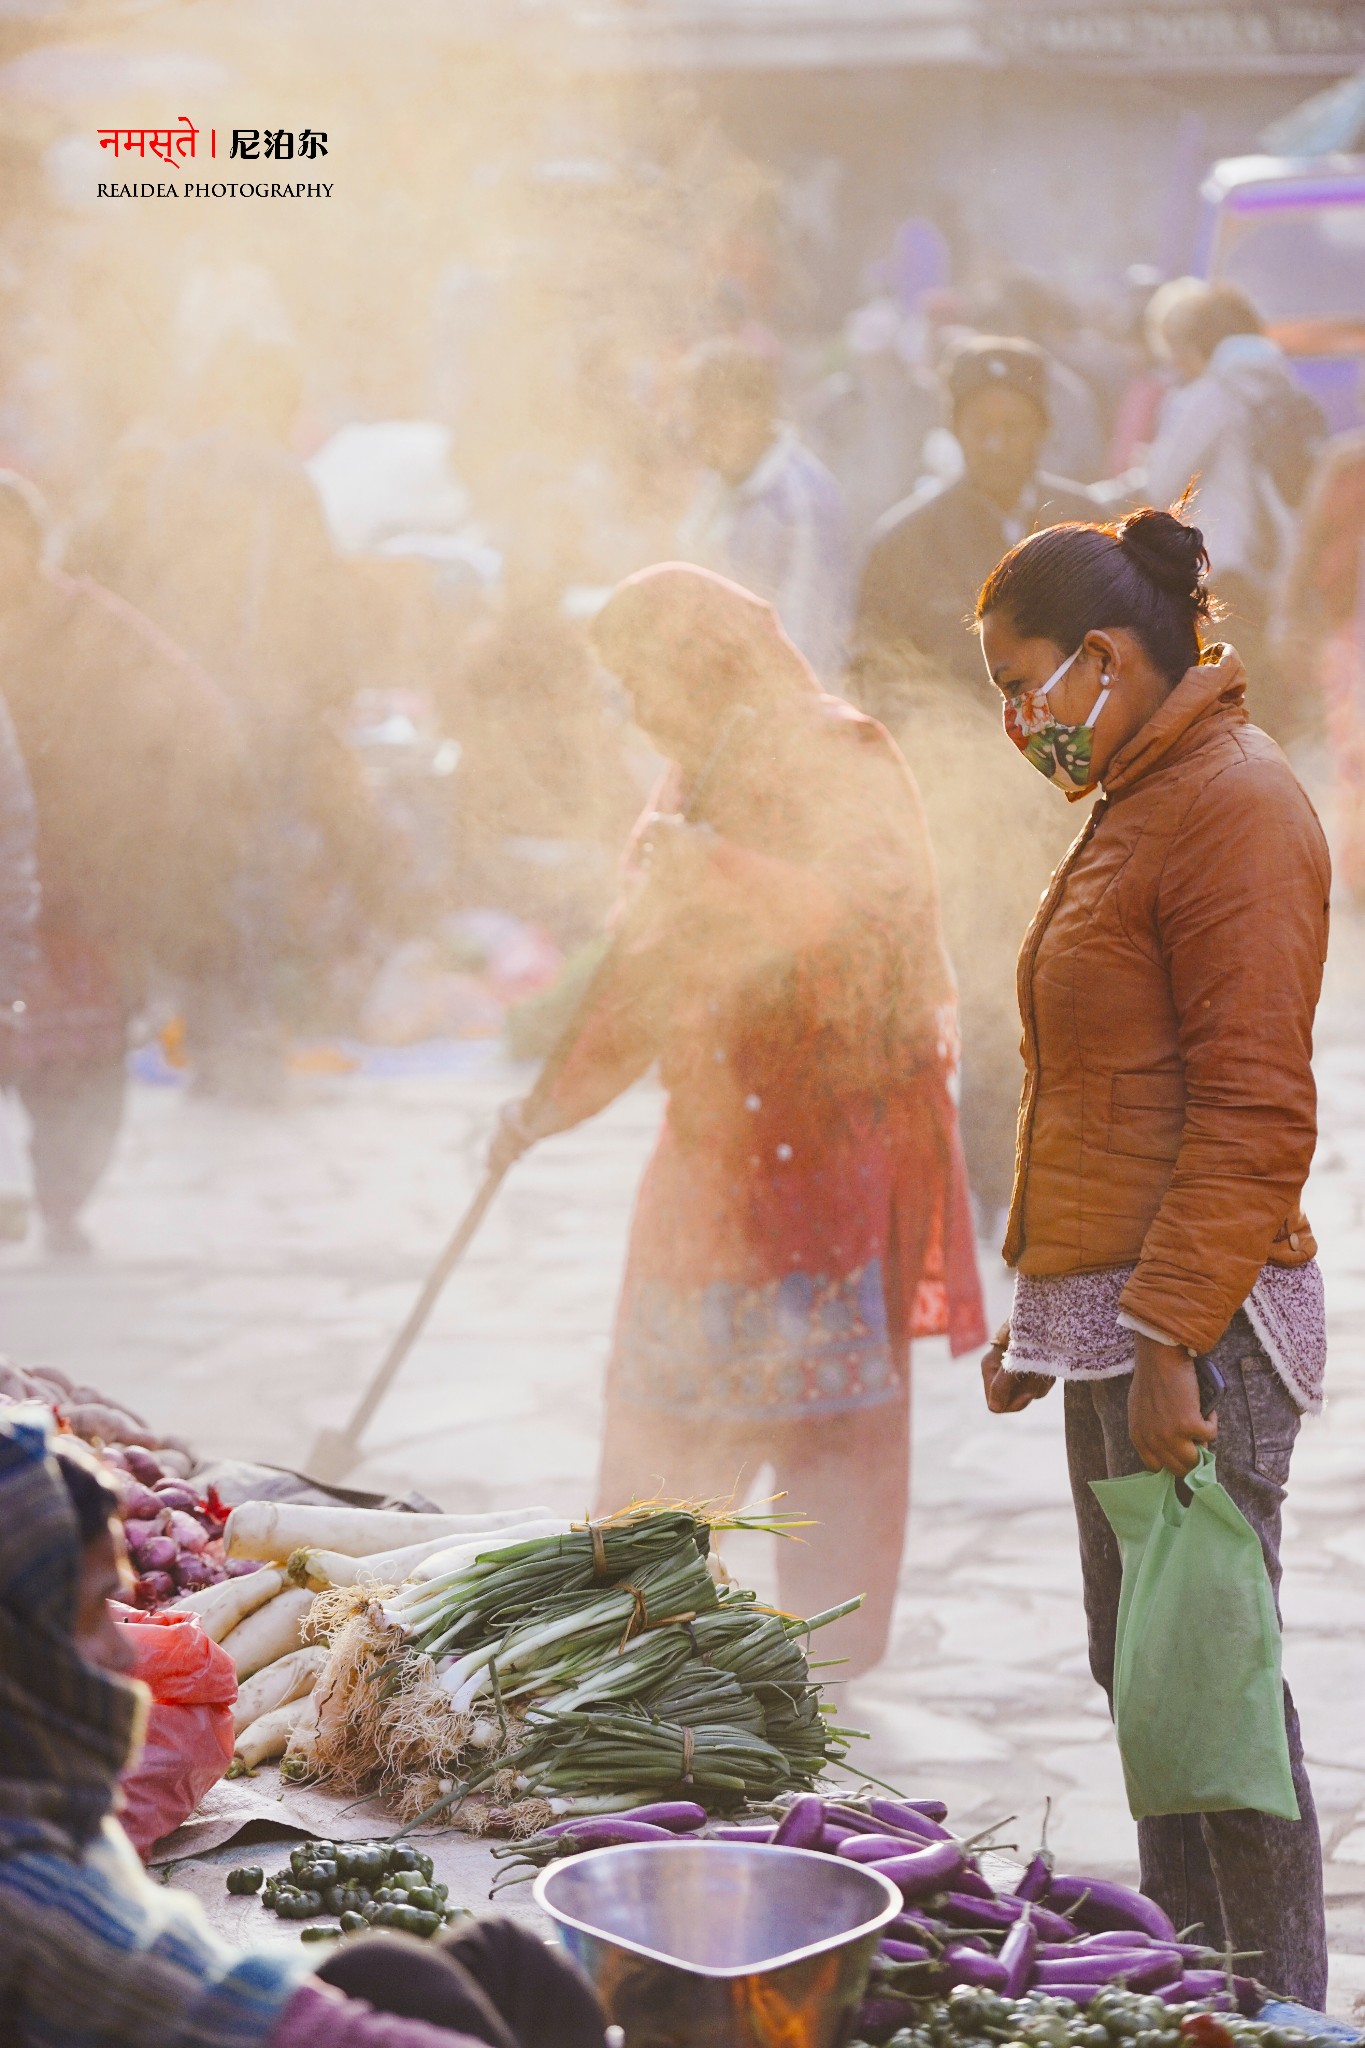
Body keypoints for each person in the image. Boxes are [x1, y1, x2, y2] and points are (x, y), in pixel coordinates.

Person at [490, 563, 985, 1676]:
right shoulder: (684, 784)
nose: (635, 707)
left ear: (706, 665)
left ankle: (832, 1659)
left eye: (641, 677)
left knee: (834, 1437)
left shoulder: (841, 753)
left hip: (828, 1151)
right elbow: (638, 981)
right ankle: (642, 1642)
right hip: (709, 1158)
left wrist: (720, 869)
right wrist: (544, 1107)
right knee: (663, 1435)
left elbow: (875, 923)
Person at [974, 507, 1330, 2006]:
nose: (1012, 719)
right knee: (1155, 1686)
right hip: (1120, 1319)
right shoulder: (1143, 789)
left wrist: (1171, 1334)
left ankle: (1275, 2008)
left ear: (1104, 661)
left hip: (1200, 1325)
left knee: (1214, 1700)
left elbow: (1254, 1110)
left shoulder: (1235, 809)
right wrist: (1041, 1305)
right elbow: (1102, 1088)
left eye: (1020, 682)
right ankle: (1198, 1993)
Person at [0, 1405, 609, 2048]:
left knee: (437, 1964)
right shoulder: (31, 1904)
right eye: (98, 1609)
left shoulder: (35, 1803)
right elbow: (229, 2013)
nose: (127, 1652)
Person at [0, 474, 243, 1254]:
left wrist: (159, 826)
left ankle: (64, 1202)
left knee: (80, 1061)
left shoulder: (90, 625)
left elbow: (198, 712)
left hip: (86, 887)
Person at [856, 337, 1097, 696]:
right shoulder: (903, 543)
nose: (994, 445)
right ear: (955, 430)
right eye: (980, 428)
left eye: (1013, 428)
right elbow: (874, 674)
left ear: (1043, 429)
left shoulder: (1091, 529)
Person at [1142, 280, 1325, 732]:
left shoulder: (1212, 395)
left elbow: (1160, 483)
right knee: (1271, 710)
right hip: (1279, 573)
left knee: (1227, 713)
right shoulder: (1286, 390)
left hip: (1223, 571)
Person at [676, 339, 853, 683]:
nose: (703, 433)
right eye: (697, 418)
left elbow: (806, 639)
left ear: (761, 411)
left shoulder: (801, 500)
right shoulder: (716, 483)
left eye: (719, 416)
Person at [1280, 430, 1365, 900]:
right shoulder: (1347, 463)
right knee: (1354, 747)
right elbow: (1309, 539)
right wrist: (1288, 613)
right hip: (1349, 631)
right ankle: (1359, 865)